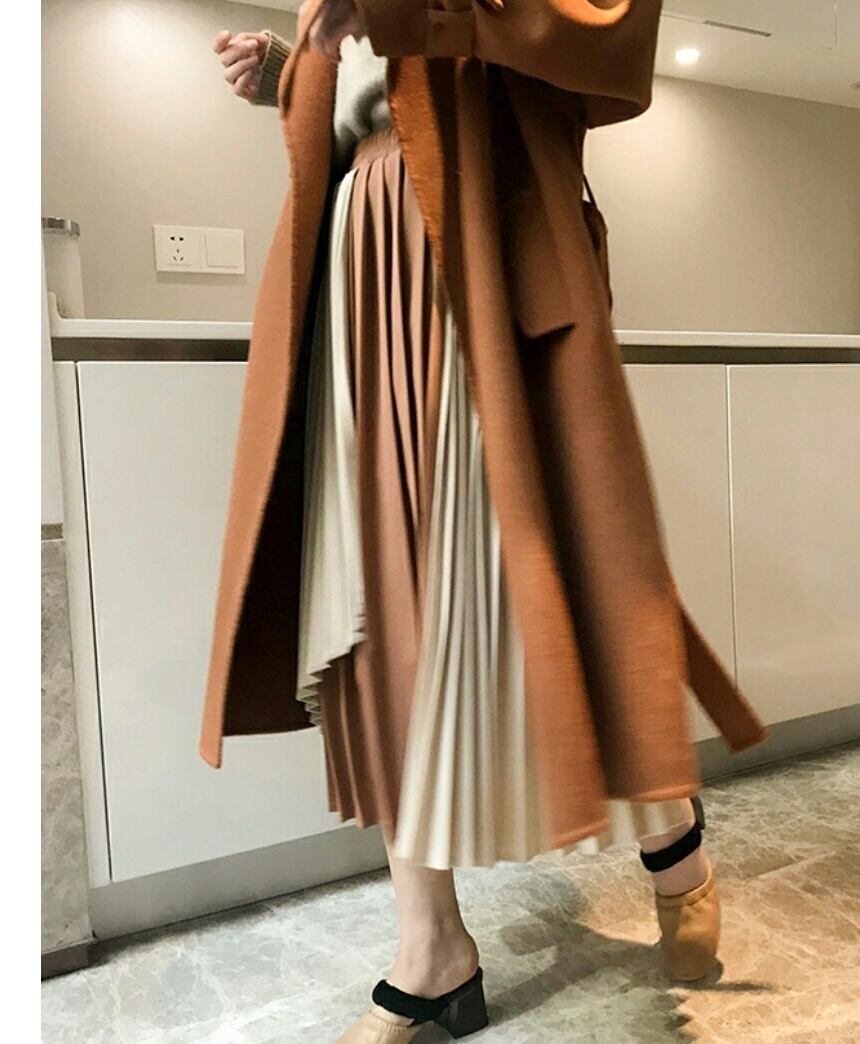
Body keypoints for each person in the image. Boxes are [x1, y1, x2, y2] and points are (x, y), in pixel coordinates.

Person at [206, 2, 767, 1040]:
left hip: (481, 243)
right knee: (378, 600)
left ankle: (668, 829)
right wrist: (297, 75)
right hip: (362, 260)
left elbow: (603, 32)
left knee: (538, 580)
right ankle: (432, 945)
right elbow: (380, 94)